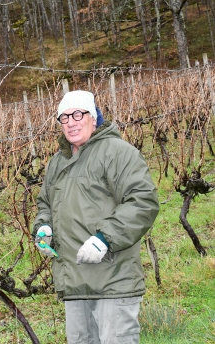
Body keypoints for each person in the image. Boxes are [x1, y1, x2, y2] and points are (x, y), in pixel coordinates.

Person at [32, 90, 159, 344]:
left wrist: (104, 238)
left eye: (78, 114)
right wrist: (44, 226)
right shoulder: (58, 162)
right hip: (75, 282)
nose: (71, 122)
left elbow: (143, 200)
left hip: (113, 278)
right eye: (64, 117)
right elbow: (45, 202)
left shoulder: (117, 152)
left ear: (94, 118)